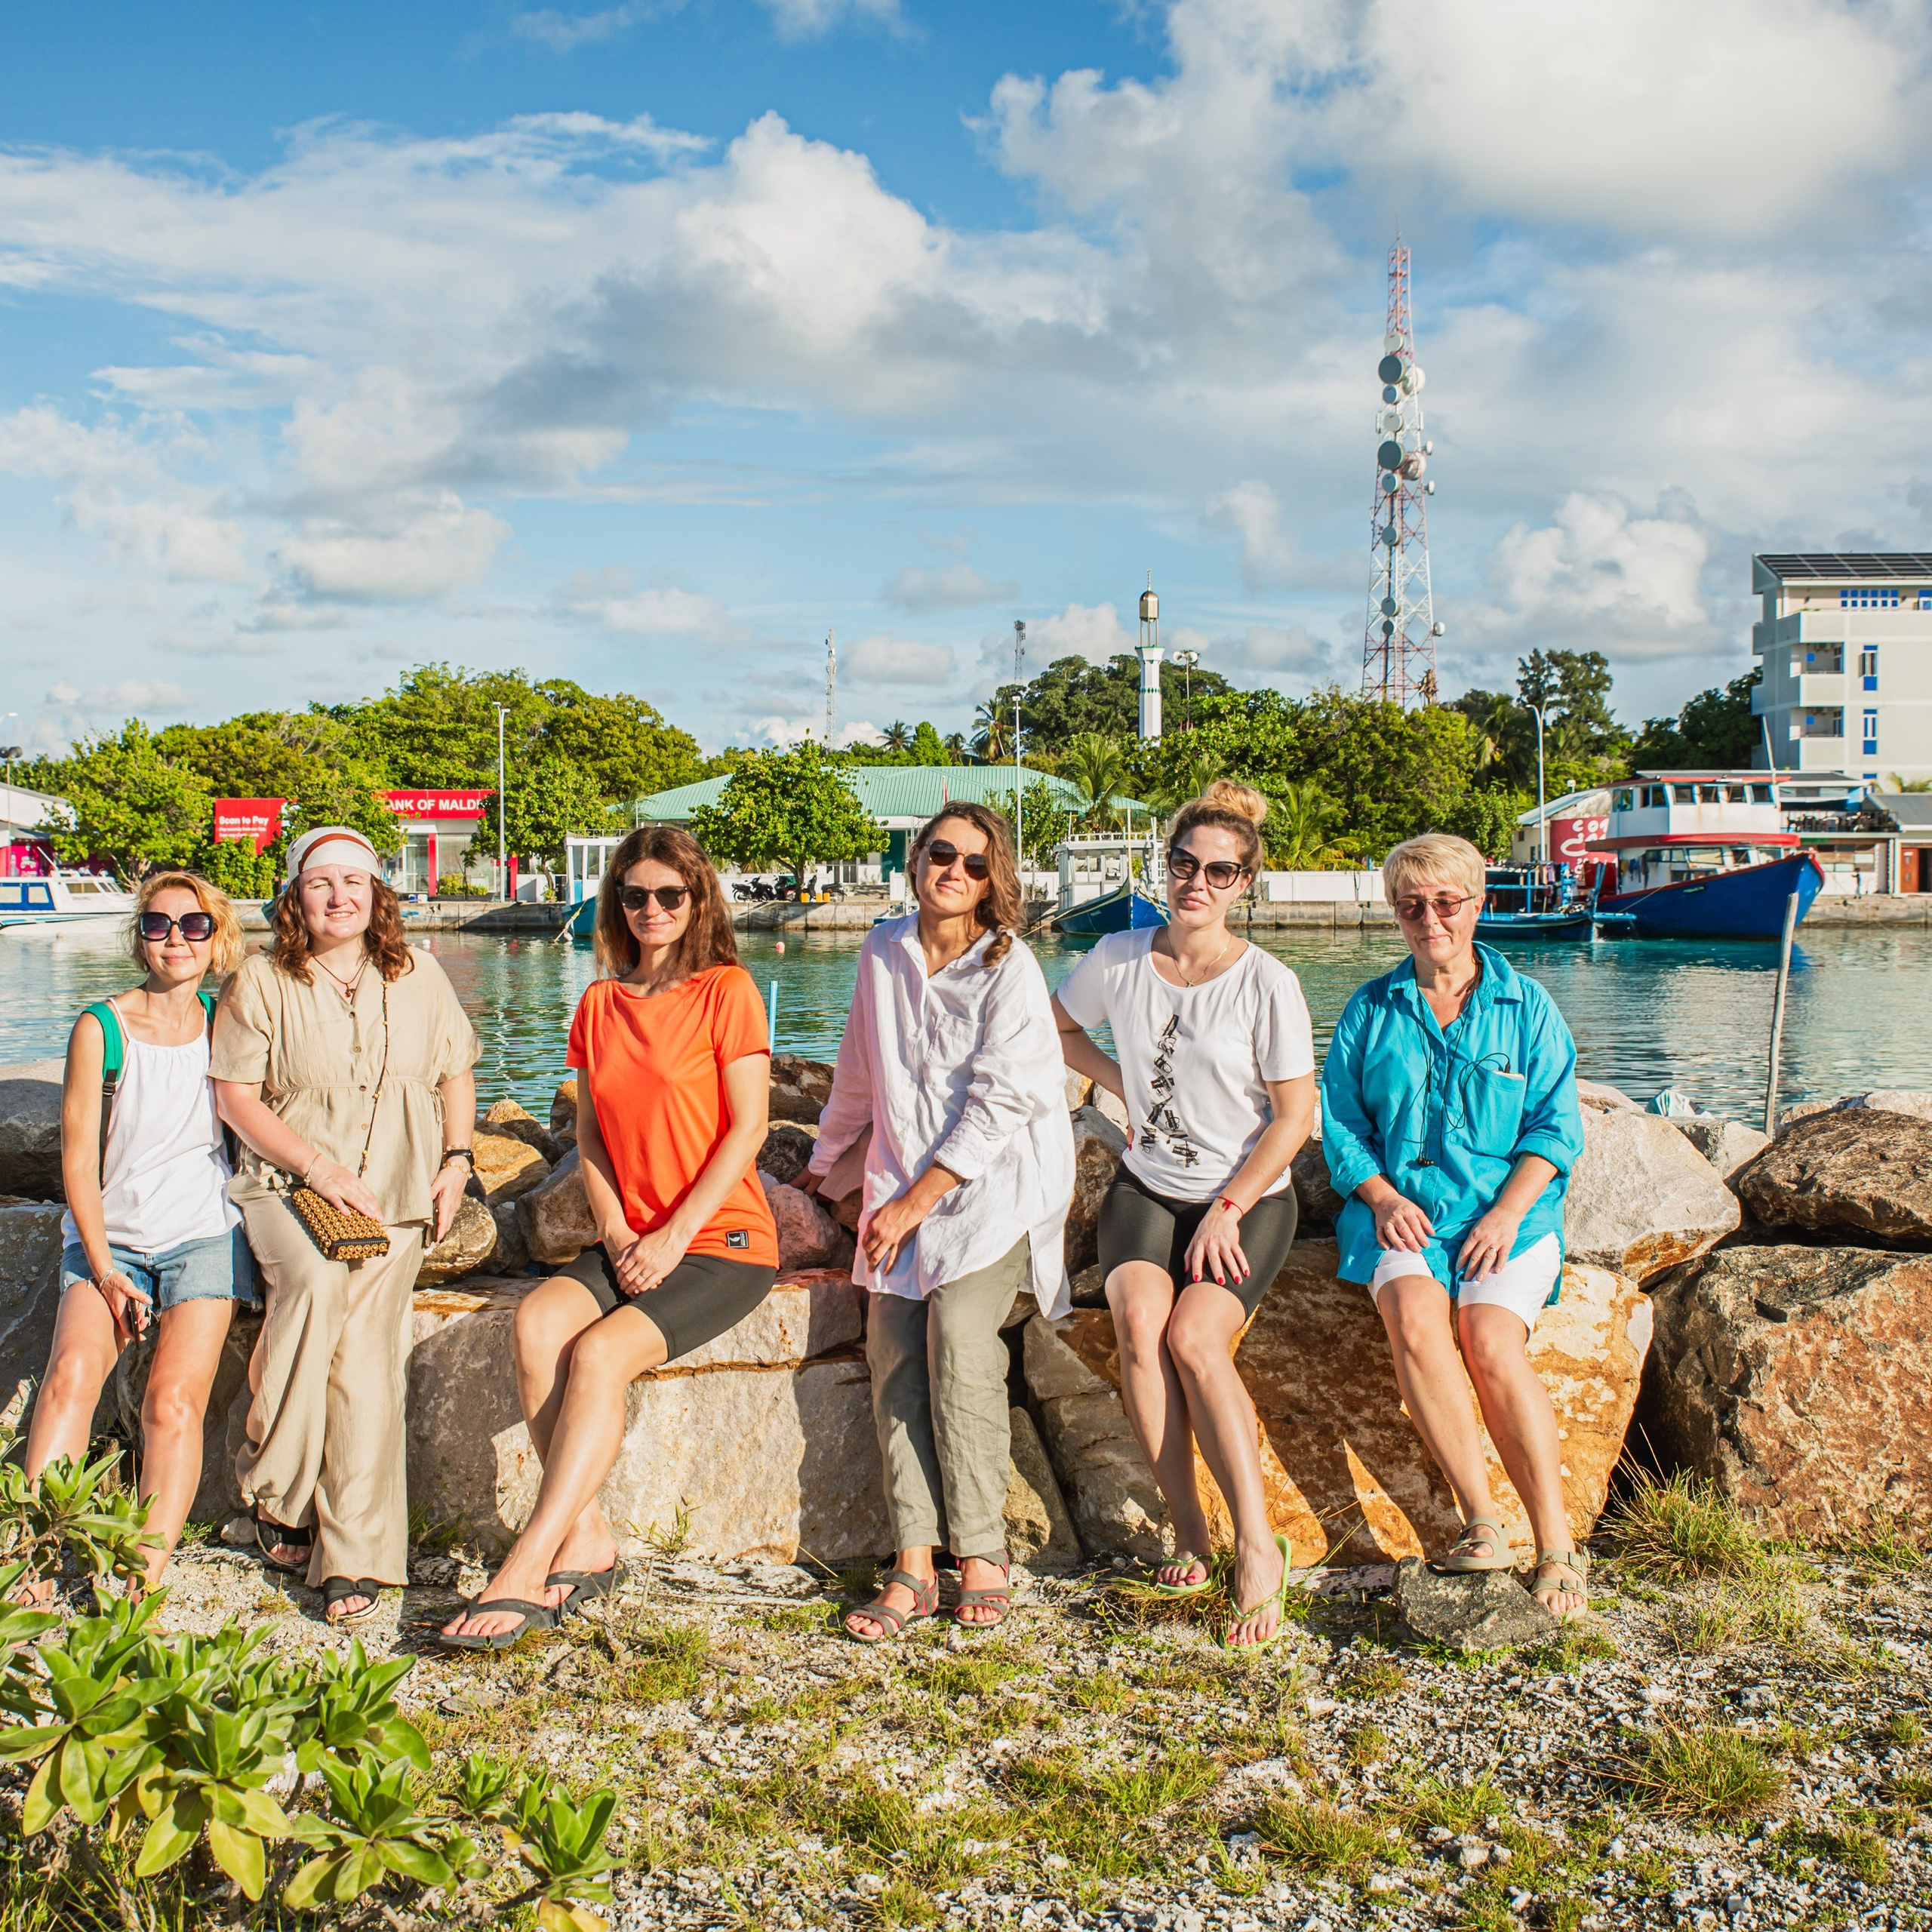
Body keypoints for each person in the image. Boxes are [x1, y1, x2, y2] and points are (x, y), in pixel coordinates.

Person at [440, 825, 779, 1649]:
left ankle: (527, 1560)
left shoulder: (726, 989)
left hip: (722, 1239)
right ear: (616, 902)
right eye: (635, 895)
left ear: (697, 898)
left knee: (597, 1356)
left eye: (671, 894)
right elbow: (589, 1136)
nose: (653, 909)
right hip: (630, 1232)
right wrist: (623, 1227)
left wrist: (671, 1237)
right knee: (537, 1323)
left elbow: (749, 1129)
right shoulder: (599, 1001)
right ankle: (586, 1535)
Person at [1053, 781, 1316, 1651]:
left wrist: (1230, 1205)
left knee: (1195, 1341)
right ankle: (1188, 1534)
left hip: (1245, 1198)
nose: (1197, 882)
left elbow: (1293, 1118)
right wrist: (1122, 1085)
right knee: (1137, 1324)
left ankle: (1255, 1544)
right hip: (1147, 1182)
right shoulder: (1118, 957)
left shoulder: (1266, 983)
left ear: (1245, 883)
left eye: (1220, 871)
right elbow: (1054, 1030)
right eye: (1183, 864)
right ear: (1162, 866)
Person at [809, 804, 1073, 1641]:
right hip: (896, 1184)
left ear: (996, 880)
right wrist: (827, 1175)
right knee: (892, 1349)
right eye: (940, 853)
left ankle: (984, 1555)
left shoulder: (1010, 966)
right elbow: (858, 1069)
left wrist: (910, 1205)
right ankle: (914, 1565)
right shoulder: (882, 949)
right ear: (915, 859)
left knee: (958, 1332)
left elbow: (1001, 1106)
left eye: (974, 861)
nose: (953, 870)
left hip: (989, 1190)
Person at [212, 826, 478, 1626]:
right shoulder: (259, 980)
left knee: (366, 1365)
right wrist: (320, 1168)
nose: (338, 897)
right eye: (320, 883)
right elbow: (237, 1097)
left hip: (396, 1195)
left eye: (353, 883)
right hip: (288, 1187)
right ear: (296, 895)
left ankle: (353, 1559)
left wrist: (457, 1158)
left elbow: (454, 1068)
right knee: (317, 1284)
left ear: (376, 893)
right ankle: (275, 1484)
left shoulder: (420, 973)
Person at [1320, 832, 1590, 1618]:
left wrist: (1507, 1213)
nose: (1429, 919)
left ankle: (1556, 1545)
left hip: (1508, 1217)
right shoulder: (1372, 1008)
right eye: (1411, 905)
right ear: (1394, 914)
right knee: (1413, 1315)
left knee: (1491, 1338)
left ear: (1478, 904)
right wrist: (1381, 1198)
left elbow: (1554, 1128)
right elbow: (1340, 1123)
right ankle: (1481, 1520)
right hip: (1403, 1217)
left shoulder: (1527, 1007)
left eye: (1446, 902)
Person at [21, 872, 257, 1601]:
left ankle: (139, 1583)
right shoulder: (101, 1027)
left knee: (172, 1404)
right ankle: (28, 1556)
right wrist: (104, 1268)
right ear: (140, 938)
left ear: (216, 939)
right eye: (158, 925)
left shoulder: (229, 1022)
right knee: (68, 1381)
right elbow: (77, 1159)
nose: (175, 939)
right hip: (110, 1241)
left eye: (193, 925)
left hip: (204, 1237)